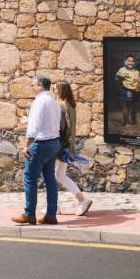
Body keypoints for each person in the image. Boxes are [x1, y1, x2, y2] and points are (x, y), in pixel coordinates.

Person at [12, 76, 61, 225]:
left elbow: (34, 127)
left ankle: (29, 214)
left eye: (33, 85)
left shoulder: (39, 101)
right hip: (54, 142)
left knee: (30, 179)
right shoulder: (54, 102)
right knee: (50, 181)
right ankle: (51, 215)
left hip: (41, 144)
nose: (32, 88)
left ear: (40, 85)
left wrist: (26, 144)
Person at [52, 81, 93, 216]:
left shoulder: (60, 106)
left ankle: (79, 201)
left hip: (59, 146)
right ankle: (59, 205)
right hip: (67, 147)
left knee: (52, 176)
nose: (53, 90)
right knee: (59, 175)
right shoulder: (71, 106)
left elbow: (59, 128)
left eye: (55, 88)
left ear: (60, 91)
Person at [115, 54, 140, 125]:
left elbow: (138, 81)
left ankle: (134, 121)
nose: (131, 62)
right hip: (127, 91)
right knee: (127, 107)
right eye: (129, 61)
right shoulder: (122, 70)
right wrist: (120, 86)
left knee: (134, 107)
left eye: (132, 61)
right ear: (125, 62)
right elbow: (117, 79)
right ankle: (126, 122)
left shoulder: (136, 71)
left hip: (136, 91)